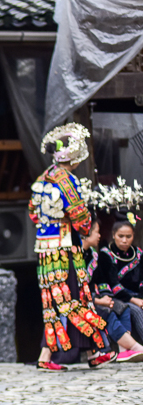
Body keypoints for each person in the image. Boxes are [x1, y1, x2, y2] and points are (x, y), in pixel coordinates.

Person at [29, 123, 114, 371]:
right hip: (65, 246)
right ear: (75, 158)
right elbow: (80, 216)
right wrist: (87, 228)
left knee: (57, 299)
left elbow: (33, 213)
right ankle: (51, 355)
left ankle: (91, 352)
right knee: (72, 296)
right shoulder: (67, 180)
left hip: (45, 247)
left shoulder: (43, 178)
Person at [86, 221, 143, 362]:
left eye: (128, 236)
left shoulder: (138, 254)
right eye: (121, 236)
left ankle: (125, 349)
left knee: (126, 309)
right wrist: (133, 300)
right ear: (113, 235)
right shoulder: (105, 255)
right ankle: (131, 347)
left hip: (135, 296)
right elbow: (111, 283)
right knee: (132, 310)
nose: (124, 240)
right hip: (117, 296)